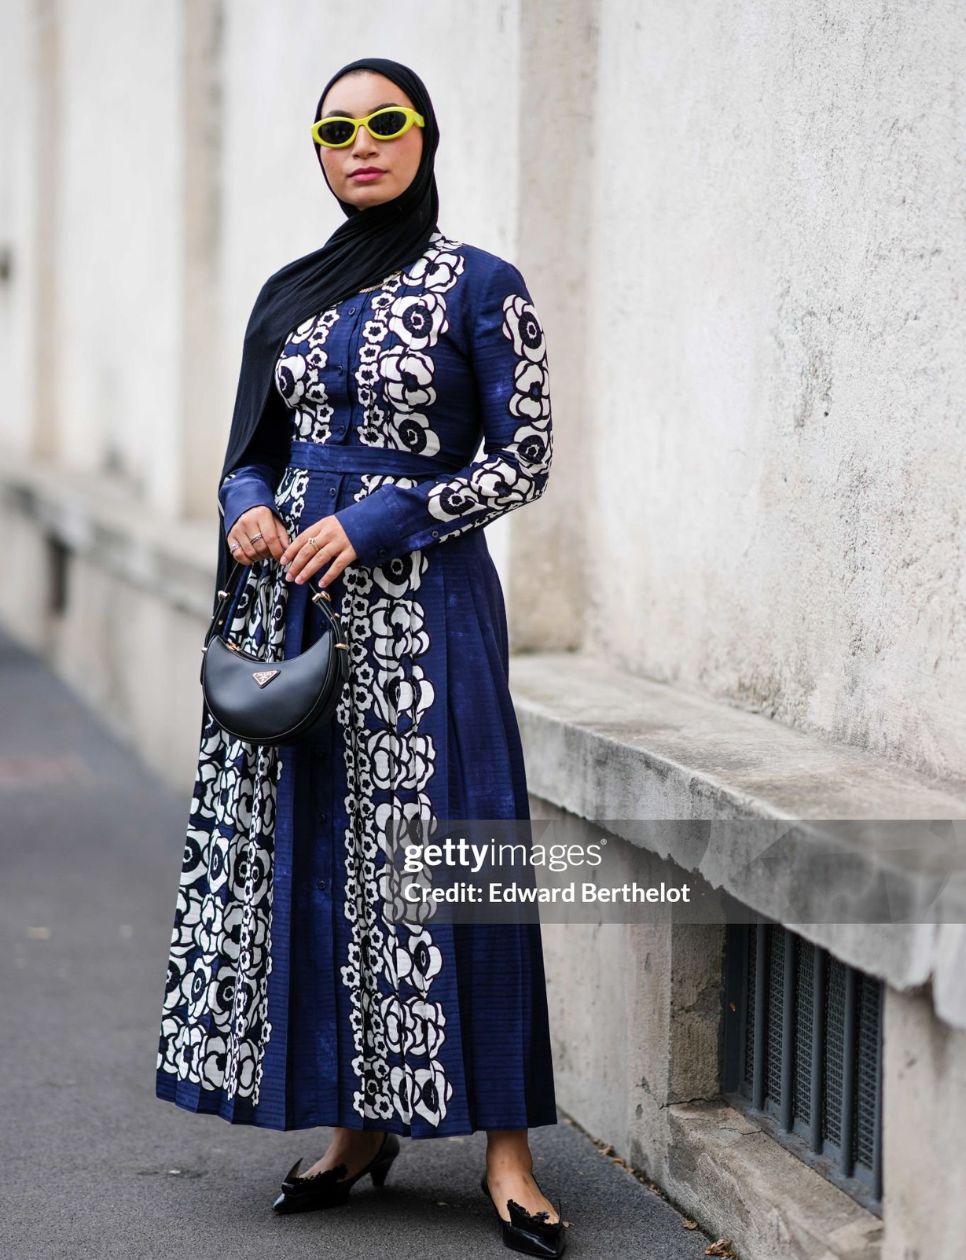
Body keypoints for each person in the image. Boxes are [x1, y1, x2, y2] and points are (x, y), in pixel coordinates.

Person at [155, 56, 565, 1258]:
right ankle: (356, 1128)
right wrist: (248, 507)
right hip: (302, 624)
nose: (364, 144)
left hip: (431, 623)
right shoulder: (293, 295)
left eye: (387, 123)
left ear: (426, 138)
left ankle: (507, 1152)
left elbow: (522, 460)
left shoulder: (483, 288)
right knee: (325, 868)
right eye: (339, 130)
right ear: (322, 154)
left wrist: (381, 516)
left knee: (461, 865)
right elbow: (253, 448)